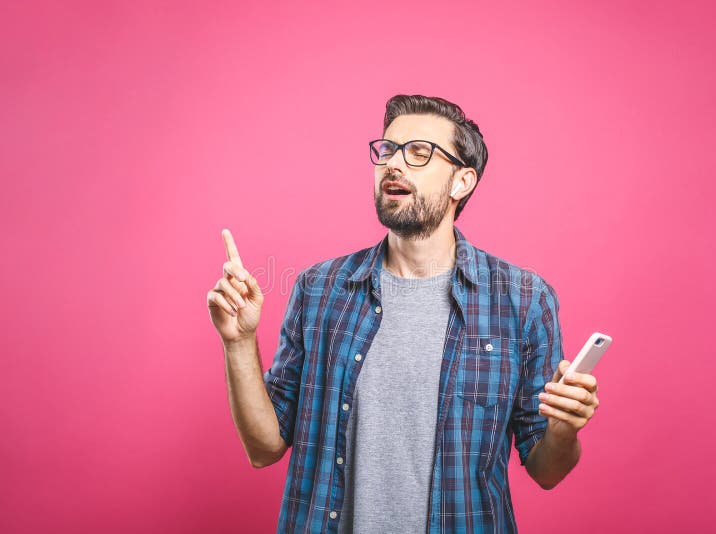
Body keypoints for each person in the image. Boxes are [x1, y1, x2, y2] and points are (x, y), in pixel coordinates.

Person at [207, 95, 601, 533]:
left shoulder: (523, 300)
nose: (393, 164)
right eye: (387, 150)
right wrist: (239, 340)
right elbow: (264, 447)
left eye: (419, 153)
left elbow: (547, 471)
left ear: (462, 182)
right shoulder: (319, 290)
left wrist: (564, 429)